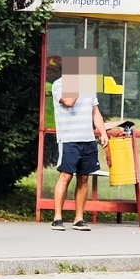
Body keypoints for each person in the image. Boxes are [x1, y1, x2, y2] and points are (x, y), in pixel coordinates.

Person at [51, 52, 107, 232]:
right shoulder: (59, 85)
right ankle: (57, 218)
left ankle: (79, 218)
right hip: (69, 139)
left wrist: (102, 132)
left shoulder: (88, 86)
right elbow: (69, 101)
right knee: (66, 176)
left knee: (84, 178)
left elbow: (94, 111)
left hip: (87, 139)